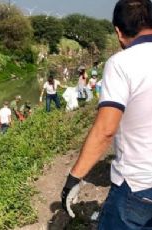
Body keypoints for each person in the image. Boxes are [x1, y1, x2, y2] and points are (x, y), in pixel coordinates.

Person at [61, 1, 152, 229]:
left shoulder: (122, 63)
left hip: (138, 185)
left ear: (118, 32)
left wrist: (74, 178)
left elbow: (105, 130)